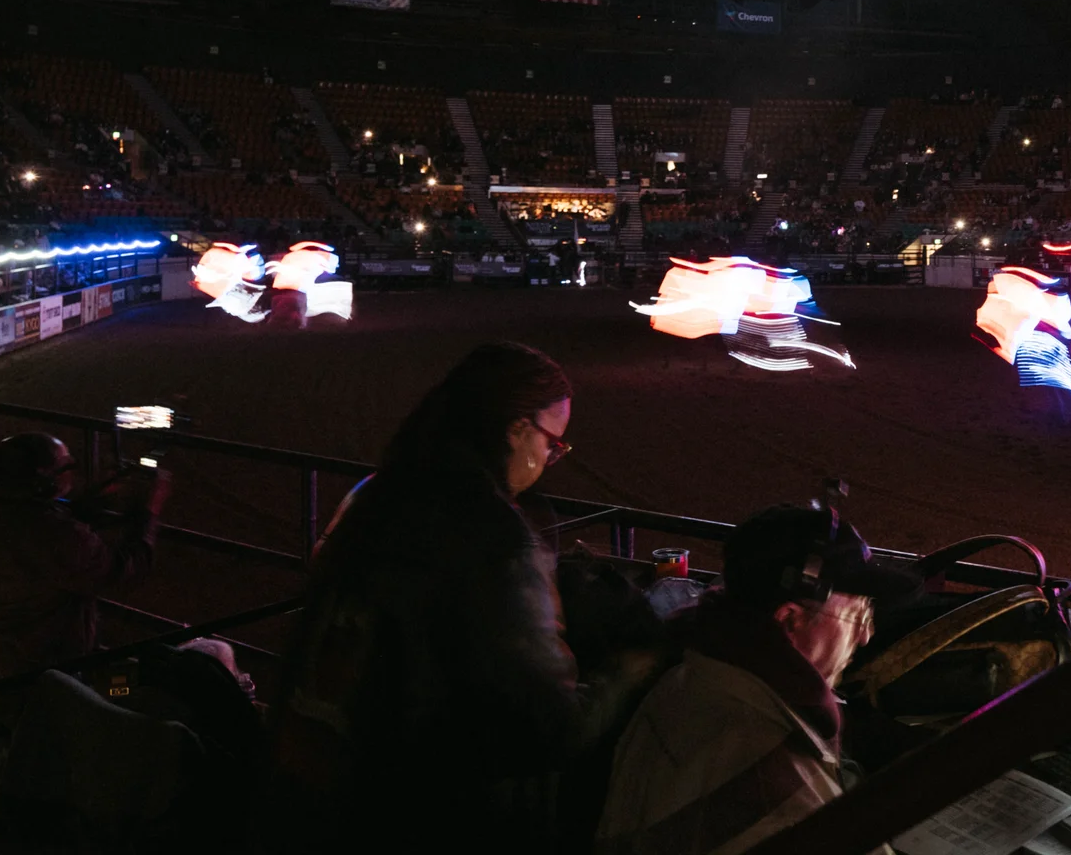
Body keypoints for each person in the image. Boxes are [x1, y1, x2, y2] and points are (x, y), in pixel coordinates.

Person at [258, 342, 621, 852]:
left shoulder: (375, 497)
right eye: (552, 443)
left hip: (315, 795)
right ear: (517, 429)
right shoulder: (490, 535)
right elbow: (548, 723)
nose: (548, 460)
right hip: (412, 815)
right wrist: (635, 663)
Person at [597, 502, 918, 855]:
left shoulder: (686, 678)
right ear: (789, 621)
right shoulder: (770, 773)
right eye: (859, 615)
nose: (865, 637)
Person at [0, 432, 169, 684]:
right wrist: (149, 512)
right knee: (121, 688)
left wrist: (96, 498)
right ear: (46, 478)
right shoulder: (58, 535)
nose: (72, 472)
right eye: (66, 466)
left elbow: (31, 523)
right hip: (39, 674)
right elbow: (122, 572)